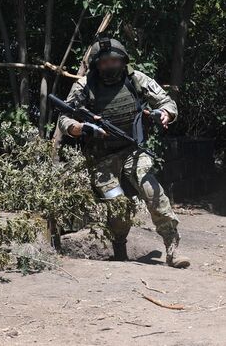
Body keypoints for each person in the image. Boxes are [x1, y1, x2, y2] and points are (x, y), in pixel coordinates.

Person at [58, 37, 191, 269]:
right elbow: (64, 116)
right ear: (97, 64)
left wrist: (164, 114)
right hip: (102, 159)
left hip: (133, 151)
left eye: (114, 60)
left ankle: (172, 247)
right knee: (118, 204)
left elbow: (167, 102)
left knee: (152, 191)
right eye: (104, 62)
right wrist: (80, 128)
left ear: (123, 60)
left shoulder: (136, 79)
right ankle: (120, 248)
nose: (110, 66)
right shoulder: (84, 85)